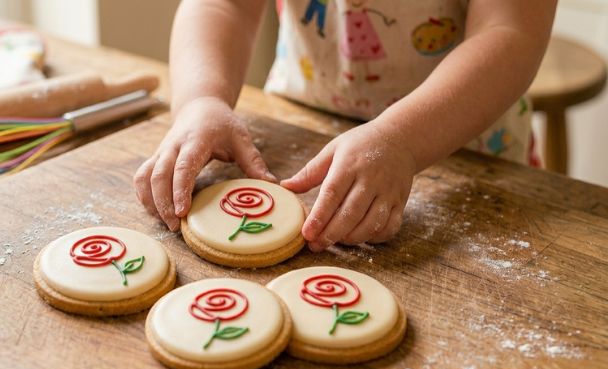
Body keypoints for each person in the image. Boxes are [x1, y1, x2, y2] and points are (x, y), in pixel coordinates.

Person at [133, 0, 556, 251]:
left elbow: (511, 31)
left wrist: (402, 140)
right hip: (302, 128)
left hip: (466, 149)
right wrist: (201, 100)